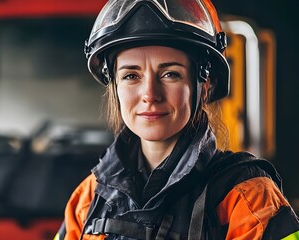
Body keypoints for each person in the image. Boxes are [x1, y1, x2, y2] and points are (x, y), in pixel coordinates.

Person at [55, 0, 299, 239]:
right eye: (131, 75)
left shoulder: (246, 197)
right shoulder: (88, 199)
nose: (150, 95)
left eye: (171, 74)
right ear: (115, 87)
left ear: (204, 86)